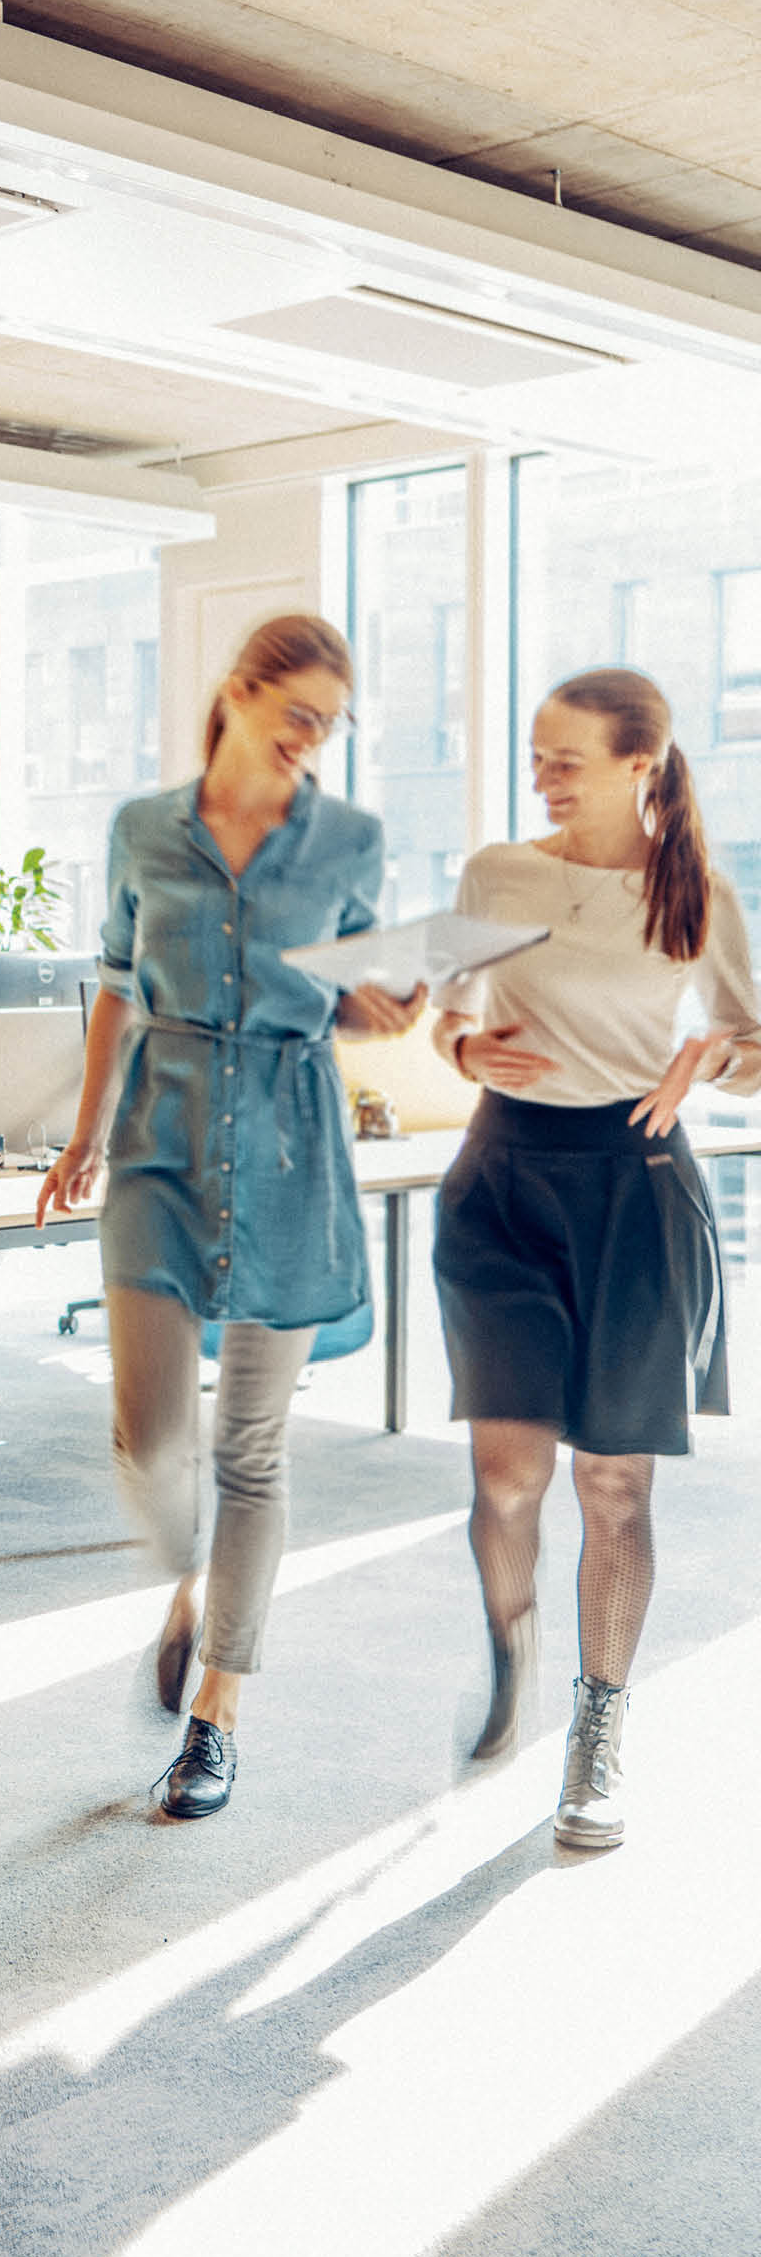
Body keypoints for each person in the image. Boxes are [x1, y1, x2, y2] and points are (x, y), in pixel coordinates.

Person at [37, 615, 422, 1820]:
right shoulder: (144, 829)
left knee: (252, 1448)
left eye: (331, 723)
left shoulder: (350, 837)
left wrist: (390, 1010)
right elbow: (114, 979)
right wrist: (86, 1131)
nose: (313, 741)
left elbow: (355, 997)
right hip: (164, 1136)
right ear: (242, 693)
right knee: (150, 1442)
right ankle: (190, 1580)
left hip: (295, 1140)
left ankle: (218, 1714)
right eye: (299, 713)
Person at [430, 668, 761, 1850]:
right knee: (510, 1476)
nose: (544, 776)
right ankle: (511, 1632)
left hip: (636, 1184)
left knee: (613, 1484)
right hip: (504, 1183)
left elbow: (755, 1041)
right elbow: (441, 1009)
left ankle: (598, 1727)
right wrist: (465, 1045)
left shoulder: (699, 895)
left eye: (566, 757)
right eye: (537, 755)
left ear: (640, 763)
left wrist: (708, 1064)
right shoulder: (497, 874)